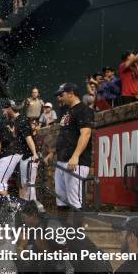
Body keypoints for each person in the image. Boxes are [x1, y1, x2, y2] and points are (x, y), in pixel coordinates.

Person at [50, 83, 94, 212]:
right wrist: (52, 152)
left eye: (61, 94)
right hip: (62, 161)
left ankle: (77, 232)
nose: (59, 97)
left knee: (76, 201)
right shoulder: (67, 111)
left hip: (76, 162)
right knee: (61, 199)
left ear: (71, 93)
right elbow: (64, 135)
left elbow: (85, 133)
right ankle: (65, 231)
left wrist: (75, 156)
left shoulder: (83, 110)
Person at [3, 100, 39, 201]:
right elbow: (18, 135)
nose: (4, 111)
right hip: (24, 156)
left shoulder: (22, 120)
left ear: (10, 108)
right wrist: (12, 131)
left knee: (29, 184)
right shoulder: (17, 120)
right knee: (24, 183)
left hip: (29, 156)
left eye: (5, 109)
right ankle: (28, 208)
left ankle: (33, 208)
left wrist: (34, 154)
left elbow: (28, 138)